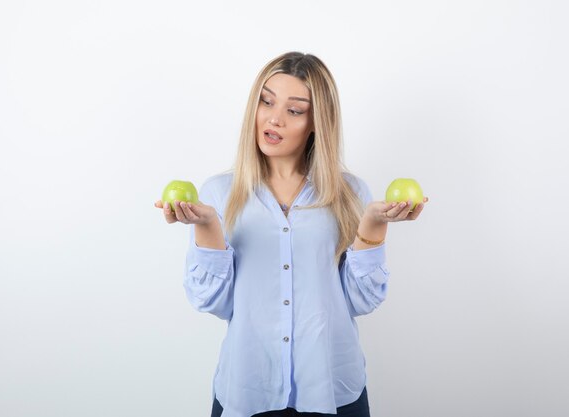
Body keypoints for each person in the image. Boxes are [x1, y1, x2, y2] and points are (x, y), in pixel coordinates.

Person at [154, 51, 428, 417]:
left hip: (332, 386)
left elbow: (360, 302)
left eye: (294, 110)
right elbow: (213, 303)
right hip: (249, 388)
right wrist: (208, 228)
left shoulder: (351, 193)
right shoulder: (219, 193)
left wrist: (373, 225)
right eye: (266, 101)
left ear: (317, 122)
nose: (274, 118)